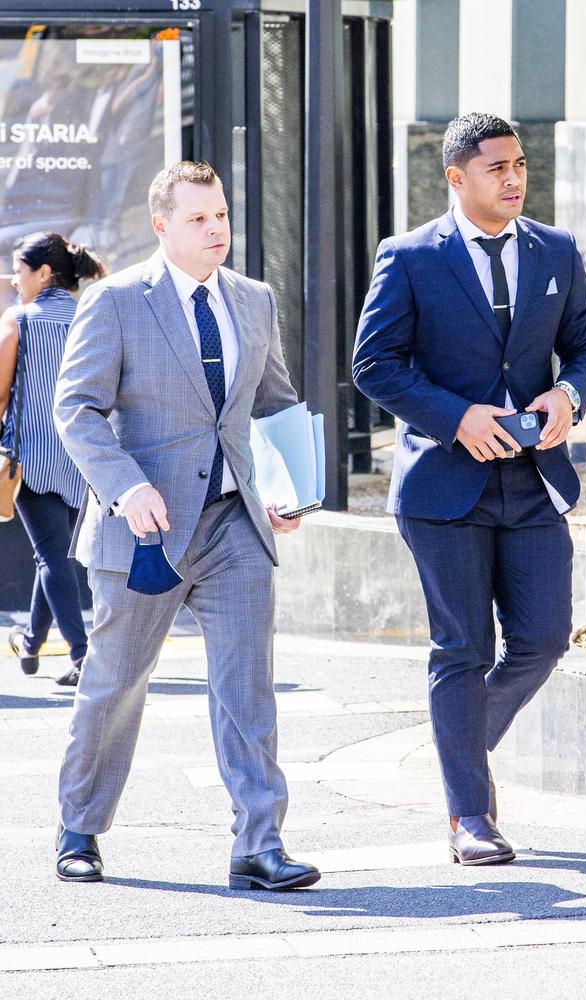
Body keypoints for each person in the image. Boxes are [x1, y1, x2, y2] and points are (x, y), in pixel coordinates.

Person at [52, 160, 321, 891]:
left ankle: (259, 843)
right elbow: (75, 409)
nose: (217, 230)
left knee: (247, 688)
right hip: (145, 530)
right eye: (199, 219)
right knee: (115, 683)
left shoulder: (254, 301)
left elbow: (274, 402)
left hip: (235, 524)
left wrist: (292, 490)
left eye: (222, 216)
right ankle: (79, 825)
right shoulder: (115, 303)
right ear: (162, 225)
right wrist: (126, 489)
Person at [353, 113, 586, 866]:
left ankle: (459, 753)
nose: (515, 177)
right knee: (461, 649)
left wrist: (567, 398)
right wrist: (456, 416)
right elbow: (375, 364)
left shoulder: (556, 250)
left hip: (532, 482)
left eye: (520, 164)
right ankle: (471, 817)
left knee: (542, 639)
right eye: (497, 167)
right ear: (456, 178)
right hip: (443, 488)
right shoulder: (408, 257)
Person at [0, 232, 105, 686]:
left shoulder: (19, 319)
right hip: (82, 454)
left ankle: (83, 655)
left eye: (18, 272)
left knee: (50, 556)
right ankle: (30, 641)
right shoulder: (90, 316)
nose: (12, 281)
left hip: (31, 458)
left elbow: (0, 393)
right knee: (57, 551)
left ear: (43, 273)